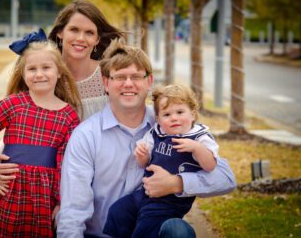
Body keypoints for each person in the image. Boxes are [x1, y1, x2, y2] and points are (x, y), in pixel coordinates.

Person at [56, 39, 237, 238]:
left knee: (178, 231)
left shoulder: (170, 124)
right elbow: (73, 210)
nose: (128, 84)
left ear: (149, 82)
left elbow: (226, 178)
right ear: (106, 82)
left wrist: (176, 183)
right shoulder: (86, 135)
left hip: (155, 230)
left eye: (136, 76)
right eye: (120, 77)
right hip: (102, 234)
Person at [0, 0, 125, 183]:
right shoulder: (42, 73)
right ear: (61, 32)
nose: (81, 38)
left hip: (99, 173)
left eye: (89, 32)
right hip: (47, 176)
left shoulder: (108, 75)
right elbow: (22, 120)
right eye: (74, 30)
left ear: (97, 39)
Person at [0, 29, 81, 237]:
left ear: (59, 71)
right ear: (23, 74)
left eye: (46, 67)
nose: (39, 74)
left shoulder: (68, 116)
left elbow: (67, 166)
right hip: (11, 192)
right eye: (32, 69)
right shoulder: (13, 105)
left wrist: (61, 202)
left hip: (44, 199)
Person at [103, 84, 219, 238]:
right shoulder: (156, 134)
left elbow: (210, 165)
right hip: (146, 194)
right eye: (167, 114)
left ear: (192, 113)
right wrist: (142, 155)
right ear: (158, 119)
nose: (174, 118)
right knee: (118, 210)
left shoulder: (199, 137)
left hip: (171, 202)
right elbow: (143, 163)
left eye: (180, 112)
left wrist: (197, 148)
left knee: (147, 225)